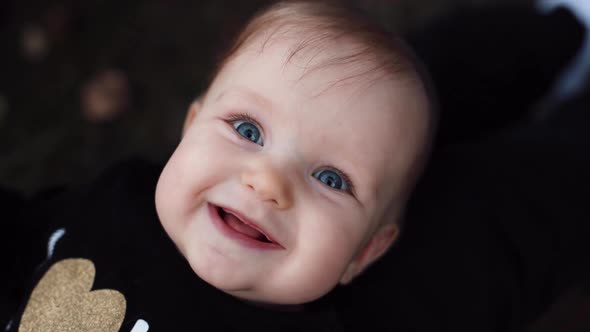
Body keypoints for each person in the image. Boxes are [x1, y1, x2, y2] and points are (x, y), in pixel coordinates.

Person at [2, 1, 435, 331]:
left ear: (365, 252)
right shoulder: (116, 197)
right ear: (191, 128)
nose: (268, 183)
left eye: (331, 179)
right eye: (247, 131)